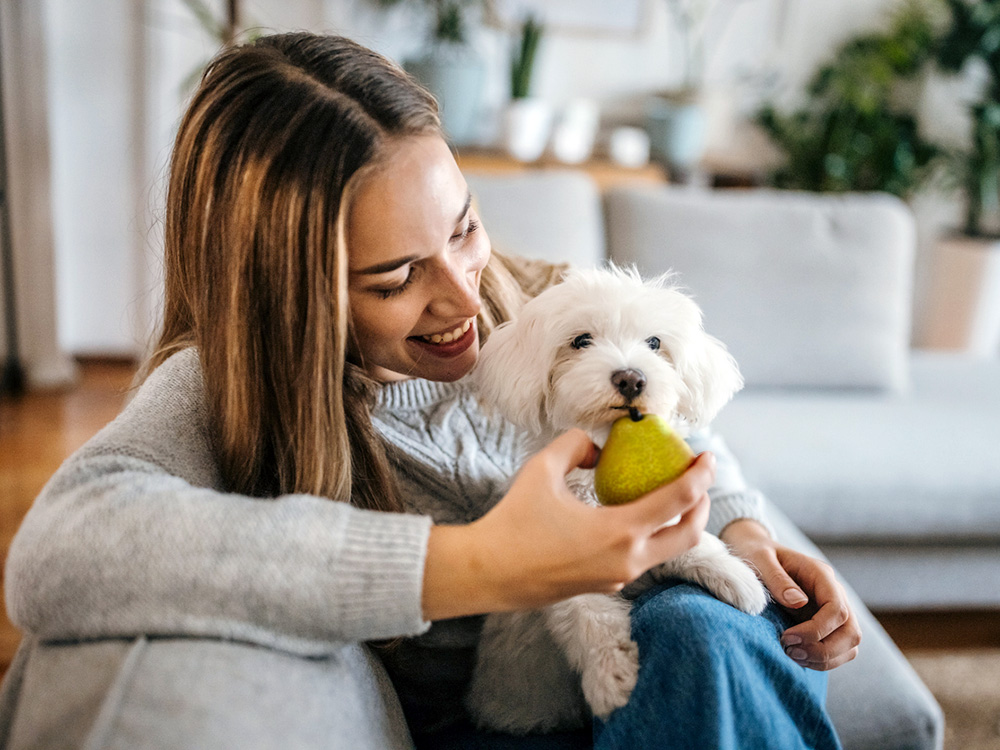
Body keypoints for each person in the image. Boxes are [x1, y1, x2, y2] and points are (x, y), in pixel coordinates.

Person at [0, 33, 859, 750]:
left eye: (465, 228)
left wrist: (746, 526)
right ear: (292, 294)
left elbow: (679, 415)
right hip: (514, 718)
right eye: (397, 276)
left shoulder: (545, 298)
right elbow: (55, 556)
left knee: (701, 626)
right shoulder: (225, 390)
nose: (462, 298)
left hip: (668, 680)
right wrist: (484, 566)